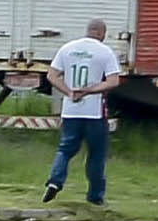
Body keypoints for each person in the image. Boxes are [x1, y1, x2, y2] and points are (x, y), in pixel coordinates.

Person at [43, 18, 124, 205]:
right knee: (96, 154)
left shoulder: (67, 48)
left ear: (87, 30)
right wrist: (89, 90)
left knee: (65, 149)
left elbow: (52, 75)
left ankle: (55, 181)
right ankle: (95, 196)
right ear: (102, 33)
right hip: (94, 112)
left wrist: (69, 92)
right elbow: (113, 81)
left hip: (71, 111)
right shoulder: (105, 52)